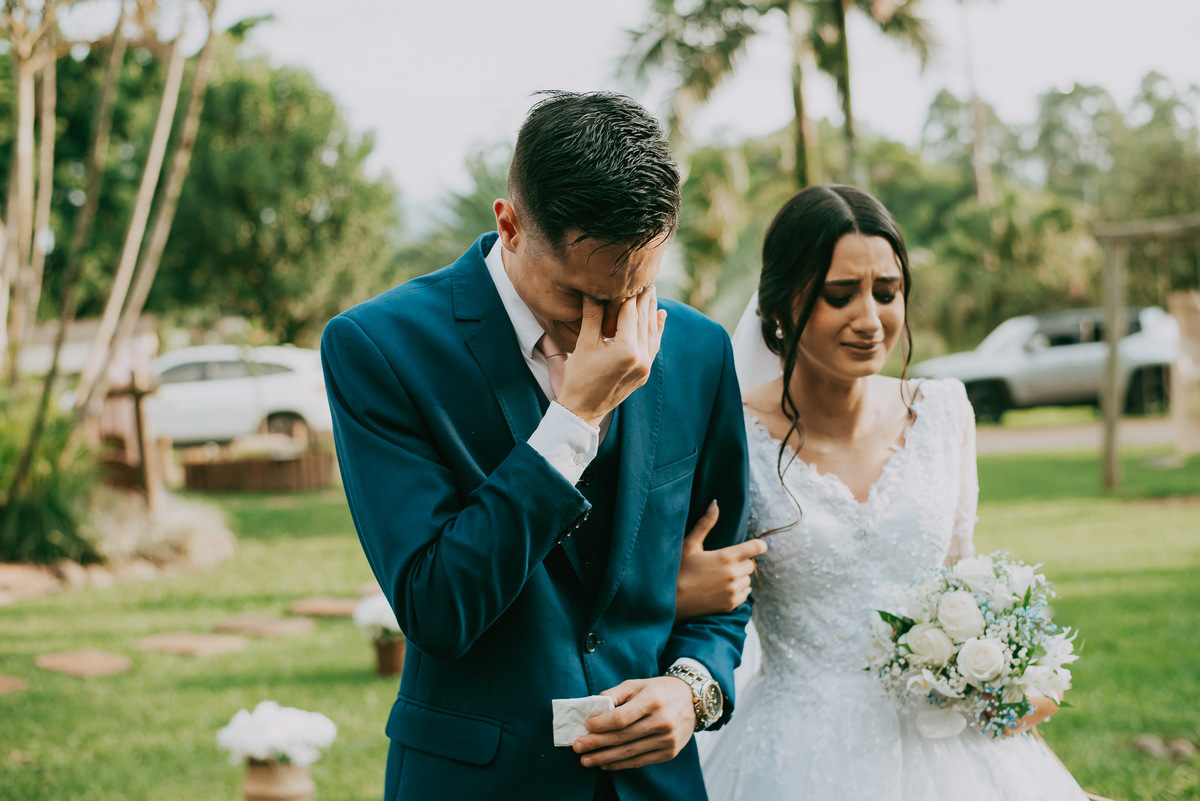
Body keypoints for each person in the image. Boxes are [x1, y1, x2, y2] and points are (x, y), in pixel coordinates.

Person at [321, 91, 763, 801]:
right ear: (510, 225)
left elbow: (727, 575)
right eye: (579, 297)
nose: (610, 326)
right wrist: (575, 417)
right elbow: (438, 608)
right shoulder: (380, 348)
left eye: (636, 290)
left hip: (654, 785)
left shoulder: (700, 351)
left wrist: (693, 688)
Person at [680, 184, 1093, 800]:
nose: (870, 321)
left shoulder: (944, 412)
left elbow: (959, 576)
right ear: (782, 304)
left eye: (887, 292)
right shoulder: (732, 432)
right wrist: (682, 588)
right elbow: (701, 588)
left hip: (945, 740)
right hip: (795, 748)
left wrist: (1004, 671)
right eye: (839, 295)